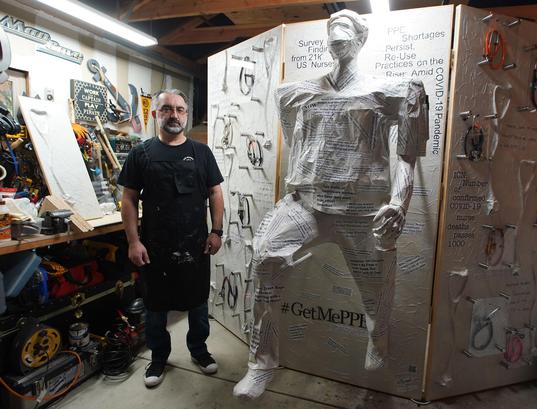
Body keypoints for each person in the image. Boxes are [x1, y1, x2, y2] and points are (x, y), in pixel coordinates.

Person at [233, 10, 429, 399]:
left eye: (345, 34)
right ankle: (262, 362)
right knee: (267, 258)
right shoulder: (295, 93)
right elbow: (296, 140)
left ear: (360, 40)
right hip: (308, 204)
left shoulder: (392, 92)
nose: (337, 41)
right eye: (333, 34)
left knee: (376, 290)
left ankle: (379, 339)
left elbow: (406, 158)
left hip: (362, 211)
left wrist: (399, 202)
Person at [119, 89, 225, 388]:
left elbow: (216, 192)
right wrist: (133, 241)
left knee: (197, 303)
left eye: (180, 109)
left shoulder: (202, 153)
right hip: (154, 246)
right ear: (156, 114)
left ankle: (199, 351)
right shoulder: (141, 153)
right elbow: (128, 199)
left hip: (196, 244)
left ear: (187, 115)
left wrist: (216, 231)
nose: (174, 115)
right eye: (167, 109)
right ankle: (158, 357)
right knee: (155, 305)